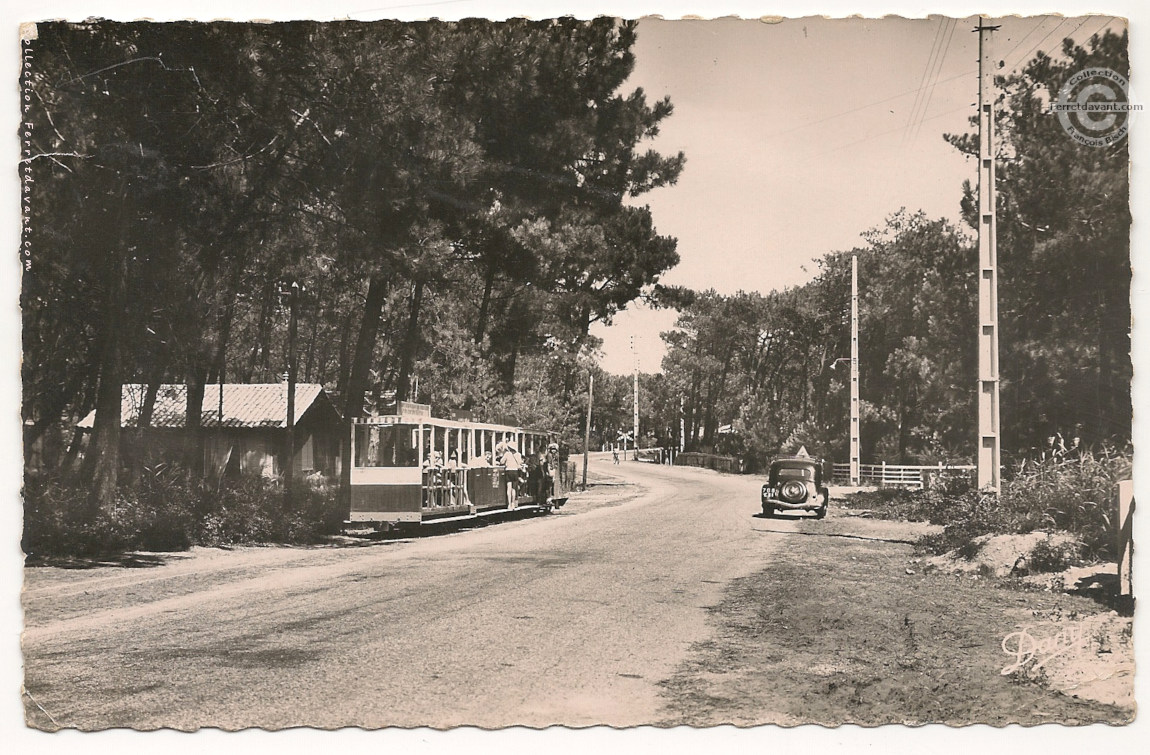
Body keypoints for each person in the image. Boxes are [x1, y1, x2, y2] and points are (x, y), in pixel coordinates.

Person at [501, 442, 523, 508]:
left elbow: (502, 461)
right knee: (514, 488)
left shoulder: (507, 454)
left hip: (508, 471)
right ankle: (513, 503)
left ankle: (509, 504)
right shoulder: (518, 454)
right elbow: (520, 462)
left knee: (509, 488)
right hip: (515, 471)